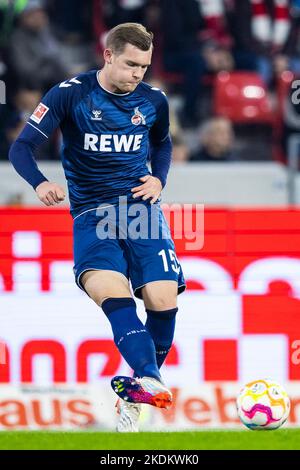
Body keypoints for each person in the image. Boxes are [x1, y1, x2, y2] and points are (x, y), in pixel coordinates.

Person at [9, 22, 186, 432]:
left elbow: (162, 143)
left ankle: (139, 385)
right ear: (108, 56)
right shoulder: (70, 93)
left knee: (163, 299)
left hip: (140, 210)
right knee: (112, 293)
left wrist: (159, 178)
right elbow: (21, 147)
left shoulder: (154, 100)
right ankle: (149, 381)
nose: (137, 74)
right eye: (130, 65)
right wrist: (40, 182)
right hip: (92, 214)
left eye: (144, 66)